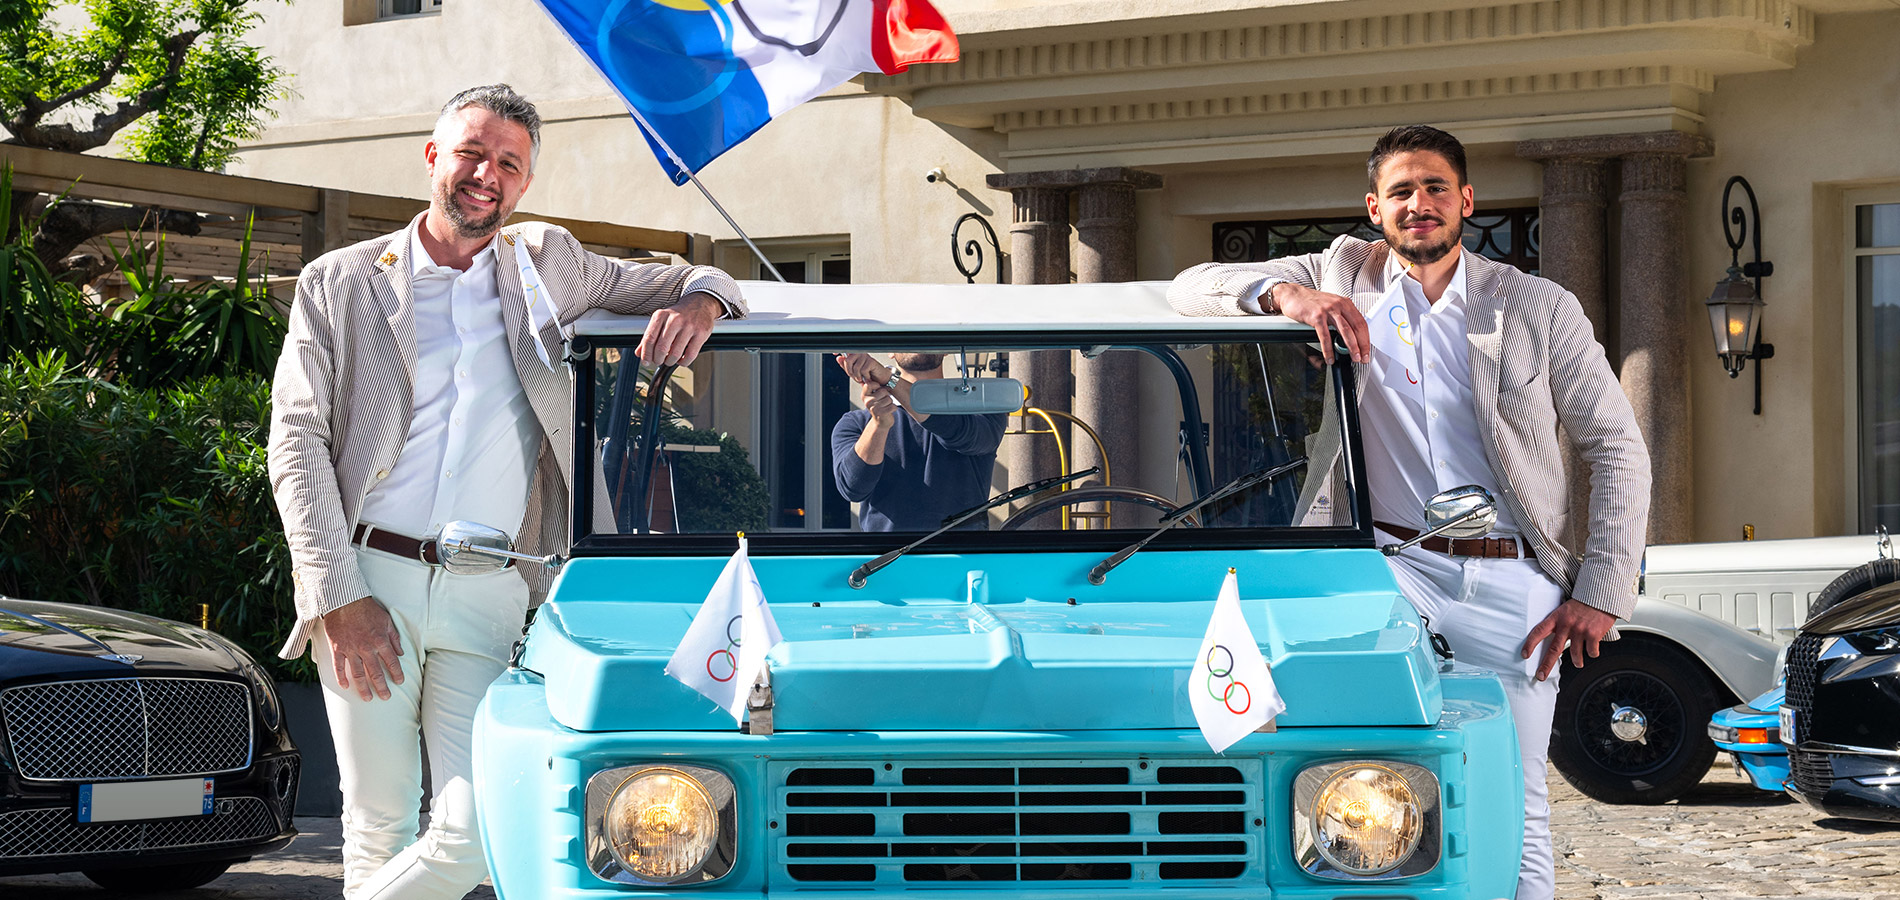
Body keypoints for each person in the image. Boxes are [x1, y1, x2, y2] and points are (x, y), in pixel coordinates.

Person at [266, 84, 745, 900]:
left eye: (508, 164)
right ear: (434, 157)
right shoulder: (339, 281)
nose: (486, 174)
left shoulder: (550, 262)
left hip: (490, 588)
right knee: (375, 822)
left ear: (524, 184)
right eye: (471, 154)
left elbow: (698, 276)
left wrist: (702, 302)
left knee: (483, 826)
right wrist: (335, 596)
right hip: (367, 580)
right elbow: (296, 440)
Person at [1168, 125, 1650, 900]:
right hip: (1387, 572)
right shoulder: (1341, 271)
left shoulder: (1536, 306)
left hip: (1513, 584)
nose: (1417, 204)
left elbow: (1617, 445)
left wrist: (1601, 590)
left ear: (1465, 201)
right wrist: (1288, 294)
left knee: (1516, 797)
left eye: (1433, 188)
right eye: (1400, 191)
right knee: (1353, 781)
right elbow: (1191, 285)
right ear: (1374, 208)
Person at [829, 352, 1006, 531]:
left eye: (928, 329)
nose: (917, 340)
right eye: (906, 330)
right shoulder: (856, 423)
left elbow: (965, 436)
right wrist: (878, 426)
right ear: (890, 351)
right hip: (890, 557)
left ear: (947, 348)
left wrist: (890, 381)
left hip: (962, 556)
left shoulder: (982, 410)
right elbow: (852, 488)